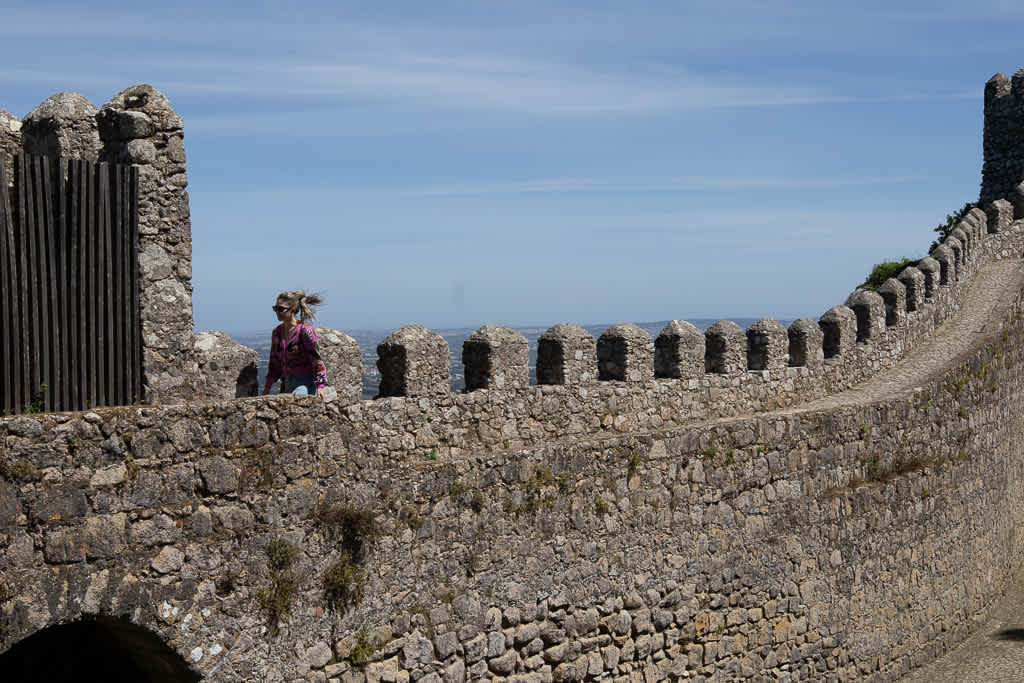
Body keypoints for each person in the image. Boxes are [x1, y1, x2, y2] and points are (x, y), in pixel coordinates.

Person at [263, 290, 328, 398]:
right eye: (275, 308)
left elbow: (316, 359)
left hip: (304, 384)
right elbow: (274, 362)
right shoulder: (277, 333)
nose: (277, 312)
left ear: (292, 309)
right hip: (286, 383)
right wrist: (267, 387)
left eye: (281, 309)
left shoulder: (305, 331)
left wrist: (320, 386)